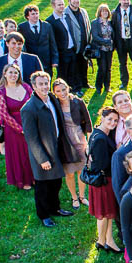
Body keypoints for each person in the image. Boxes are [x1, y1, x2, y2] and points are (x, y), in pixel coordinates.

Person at [20, 71, 75, 228]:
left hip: (56, 147)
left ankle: (55, 208)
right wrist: (42, 158)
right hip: (42, 153)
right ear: (34, 86)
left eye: (46, 83)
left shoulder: (51, 99)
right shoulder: (29, 109)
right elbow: (31, 138)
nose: (44, 87)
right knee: (43, 186)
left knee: (56, 182)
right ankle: (44, 215)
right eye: (41, 84)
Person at [51, 79, 90, 210]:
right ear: (54, 93)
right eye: (58, 91)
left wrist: (89, 140)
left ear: (68, 88)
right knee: (69, 172)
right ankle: (74, 197)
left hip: (79, 137)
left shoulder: (77, 102)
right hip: (65, 141)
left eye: (64, 89)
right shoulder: (54, 104)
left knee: (81, 169)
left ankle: (82, 196)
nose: (62, 93)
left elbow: (88, 121)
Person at [0, 64, 33, 189]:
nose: (13, 75)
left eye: (15, 73)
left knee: (31, 152)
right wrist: (21, 129)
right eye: (10, 72)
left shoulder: (26, 87)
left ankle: (34, 177)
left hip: (30, 123)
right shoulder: (0, 91)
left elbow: (34, 103)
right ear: (4, 74)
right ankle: (23, 180)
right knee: (19, 154)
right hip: (13, 128)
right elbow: (4, 114)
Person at [86, 106, 121, 252]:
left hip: (102, 179)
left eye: (115, 121)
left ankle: (108, 240)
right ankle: (101, 241)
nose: (113, 123)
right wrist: (118, 152)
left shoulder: (99, 132)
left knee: (107, 213)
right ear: (102, 118)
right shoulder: (100, 138)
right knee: (104, 214)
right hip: (103, 180)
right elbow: (101, 163)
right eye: (110, 119)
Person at [46, 0, 77, 87]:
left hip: (71, 49)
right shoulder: (50, 21)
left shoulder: (67, 16)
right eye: (59, 5)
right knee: (63, 75)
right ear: (53, 6)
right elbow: (52, 40)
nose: (62, 7)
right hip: (61, 52)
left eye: (63, 4)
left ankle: (72, 90)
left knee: (72, 72)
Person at [64, 0, 91, 94]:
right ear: (69, 0)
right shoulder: (65, 13)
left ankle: (85, 83)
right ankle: (77, 87)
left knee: (84, 65)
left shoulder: (83, 11)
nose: (76, 1)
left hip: (85, 44)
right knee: (75, 68)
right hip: (74, 46)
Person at [19, 6, 58, 74]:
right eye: (33, 14)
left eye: (37, 13)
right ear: (27, 16)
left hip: (46, 61)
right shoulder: (22, 27)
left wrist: (54, 60)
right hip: (31, 62)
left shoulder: (47, 26)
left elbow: (53, 43)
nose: (35, 16)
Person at [89, 4, 114, 93]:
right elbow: (95, 36)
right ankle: (98, 86)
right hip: (100, 49)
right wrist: (106, 42)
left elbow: (112, 34)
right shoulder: (95, 23)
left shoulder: (110, 22)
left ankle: (107, 86)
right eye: (103, 11)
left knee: (108, 68)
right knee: (102, 68)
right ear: (99, 12)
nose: (105, 13)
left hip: (109, 49)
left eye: (106, 11)